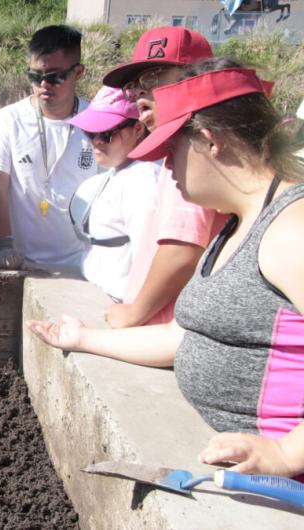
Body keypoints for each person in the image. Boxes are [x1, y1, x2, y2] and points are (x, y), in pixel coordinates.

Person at [28, 60, 304, 478]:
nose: (166, 167)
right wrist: (84, 339)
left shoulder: (290, 229)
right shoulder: (236, 221)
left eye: (171, 150)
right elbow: (185, 336)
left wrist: (286, 453)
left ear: (211, 141)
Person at [100, 26, 227, 328]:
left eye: (152, 77)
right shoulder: (191, 146)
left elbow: (181, 251)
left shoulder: (192, 151)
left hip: (161, 327)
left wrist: (134, 312)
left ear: (195, 76)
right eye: (133, 84)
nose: (139, 91)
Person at [0, 25, 99, 272]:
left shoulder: (97, 121)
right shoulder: (9, 119)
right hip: (20, 263)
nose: (43, 84)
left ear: (78, 72)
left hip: (82, 264)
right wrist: (2, 245)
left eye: (55, 77)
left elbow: (110, 191)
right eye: (34, 76)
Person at [66, 86, 160, 302]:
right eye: (90, 132)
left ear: (138, 129)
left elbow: (149, 262)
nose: (97, 141)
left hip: (119, 304)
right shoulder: (118, 172)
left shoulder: (144, 180)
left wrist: (132, 314)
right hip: (98, 295)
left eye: (107, 134)